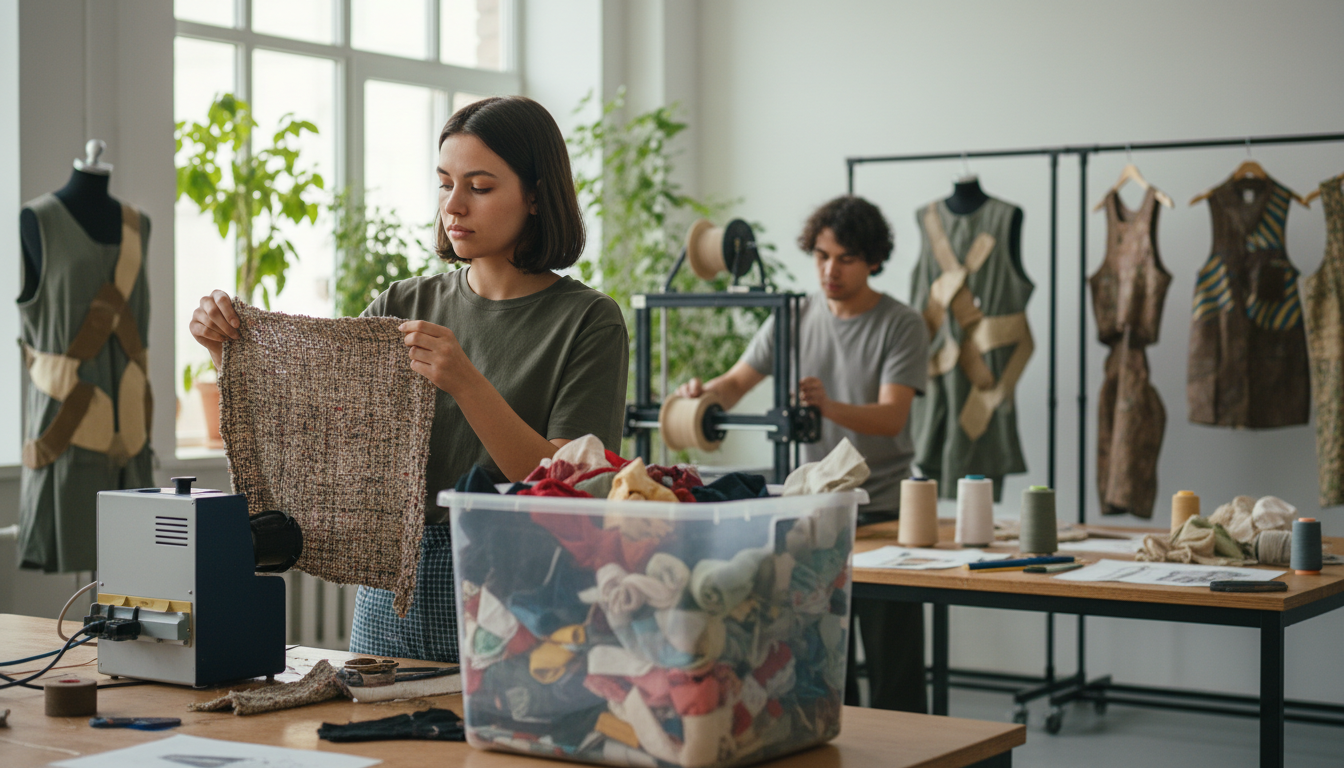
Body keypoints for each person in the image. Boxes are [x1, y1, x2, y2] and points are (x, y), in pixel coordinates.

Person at [189, 96, 629, 663]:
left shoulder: (589, 320)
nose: (454, 205)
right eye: (444, 184)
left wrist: (466, 383)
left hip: (522, 589)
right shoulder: (403, 303)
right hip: (388, 589)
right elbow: (316, 434)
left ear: (538, 196)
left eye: (479, 186)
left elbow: (571, 489)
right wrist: (226, 354)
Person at [676, 195, 930, 712]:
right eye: (821, 256)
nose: (830, 270)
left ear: (873, 260)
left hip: (882, 513)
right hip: (812, 517)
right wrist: (700, 397)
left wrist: (828, 407)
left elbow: (892, 417)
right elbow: (735, 383)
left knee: (895, 668)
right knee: (822, 661)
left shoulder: (901, 323)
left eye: (845, 259)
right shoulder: (791, 317)